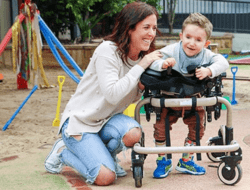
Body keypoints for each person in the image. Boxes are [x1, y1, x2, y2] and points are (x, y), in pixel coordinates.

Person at [44, 2, 162, 186]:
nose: (151, 34)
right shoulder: (108, 50)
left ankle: (104, 155)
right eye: (146, 27)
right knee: (106, 177)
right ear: (129, 28)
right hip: (80, 122)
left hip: (106, 120)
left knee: (133, 133)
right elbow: (113, 95)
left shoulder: (142, 58)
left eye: (154, 28)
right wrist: (142, 66)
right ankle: (63, 152)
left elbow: (129, 97)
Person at [149, 13, 229, 178]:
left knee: (197, 128)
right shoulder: (171, 50)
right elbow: (152, 60)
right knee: (160, 129)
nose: (192, 43)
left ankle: (186, 161)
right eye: (188, 37)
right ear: (181, 36)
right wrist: (162, 64)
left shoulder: (206, 54)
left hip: (193, 98)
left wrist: (209, 70)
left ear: (206, 43)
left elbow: (223, 62)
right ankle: (163, 162)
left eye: (198, 40)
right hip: (168, 98)